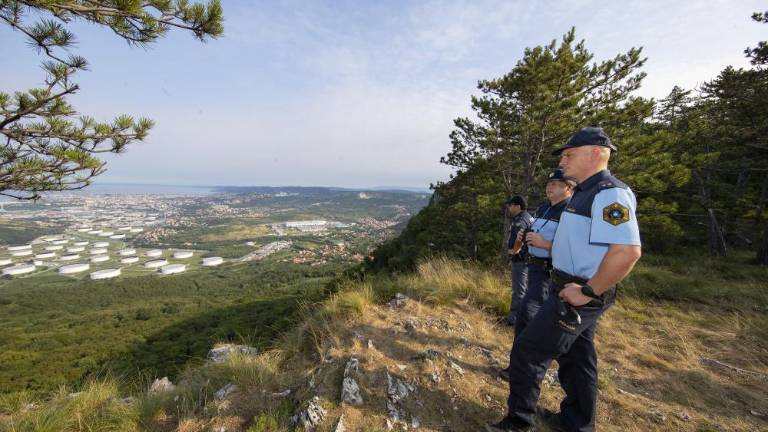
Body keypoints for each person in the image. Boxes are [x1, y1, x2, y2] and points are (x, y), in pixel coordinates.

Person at [487, 127, 642, 432]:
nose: (564, 162)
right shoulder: (584, 193)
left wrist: (588, 290)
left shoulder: (610, 194)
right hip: (567, 285)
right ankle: (577, 422)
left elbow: (626, 252)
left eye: (570, 154)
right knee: (577, 359)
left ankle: (518, 423)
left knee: (528, 349)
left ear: (596, 154)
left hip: (579, 291)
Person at [504, 195, 533, 326]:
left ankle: (514, 320)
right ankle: (523, 319)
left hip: (521, 260)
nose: (509, 207)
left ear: (518, 206)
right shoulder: (528, 217)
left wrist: (514, 251)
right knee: (525, 290)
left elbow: (519, 238)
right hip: (528, 260)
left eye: (511, 205)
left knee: (519, 291)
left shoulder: (520, 220)